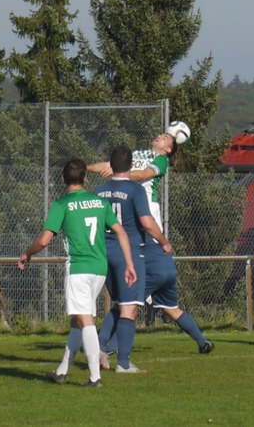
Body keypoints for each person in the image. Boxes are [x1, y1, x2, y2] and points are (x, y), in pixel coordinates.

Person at [88, 132, 214, 355]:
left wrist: (121, 175)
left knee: (126, 302)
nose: (161, 135)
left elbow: (144, 174)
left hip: (147, 234)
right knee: (168, 307)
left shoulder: (161, 161)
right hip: (143, 235)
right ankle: (203, 342)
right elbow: (106, 166)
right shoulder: (137, 155)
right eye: (162, 134)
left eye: (167, 138)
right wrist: (84, 169)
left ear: (168, 149)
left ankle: (103, 347)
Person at [18, 158, 136, 387]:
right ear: (85, 178)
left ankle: (95, 377)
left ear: (63, 179)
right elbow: (120, 231)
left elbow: (44, 240)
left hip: (79, 269)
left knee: (85, 320)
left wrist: (27, 253)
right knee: (77, 320)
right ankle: (62, 370)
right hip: (99, 269)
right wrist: (129, 263)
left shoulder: (61, 205)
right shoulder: (99, 203)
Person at [94, 146, 172, 373]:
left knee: (118, 304)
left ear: (111, 164)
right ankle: (124, 363)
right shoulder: (135, 189)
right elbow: (147, 222)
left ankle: (99, 350)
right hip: (128, 253)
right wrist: (163, 241)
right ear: (131, 166)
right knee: (130, 308)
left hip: (102, 252)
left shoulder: (99, 190)